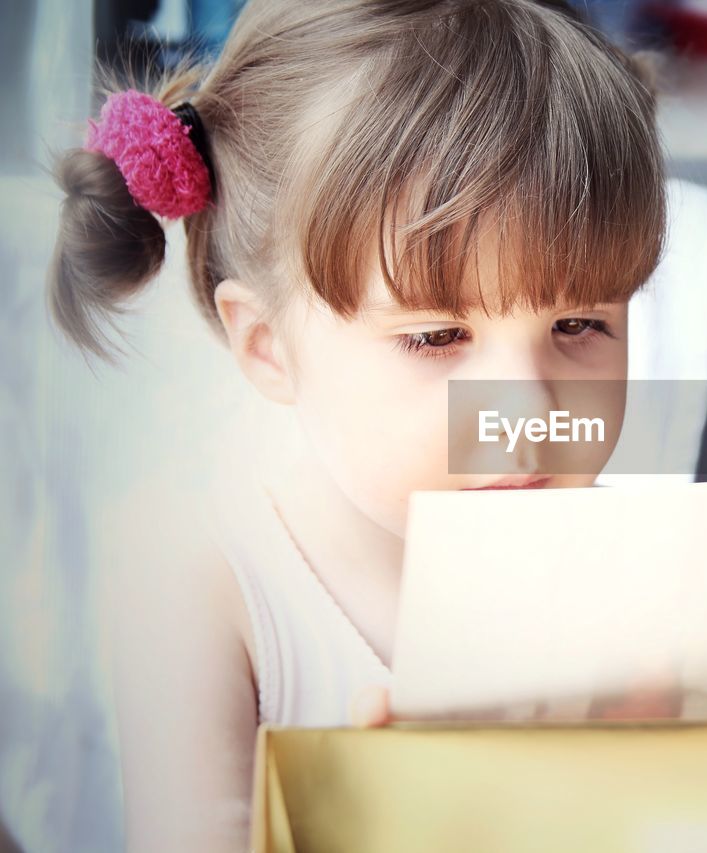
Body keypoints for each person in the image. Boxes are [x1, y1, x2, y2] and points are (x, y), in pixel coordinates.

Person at [47, 1, 665, 849]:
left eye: (579, 325)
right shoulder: (202, 586)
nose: (530, 414)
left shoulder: (632, 562)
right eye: (438, 336)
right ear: (269, 346)